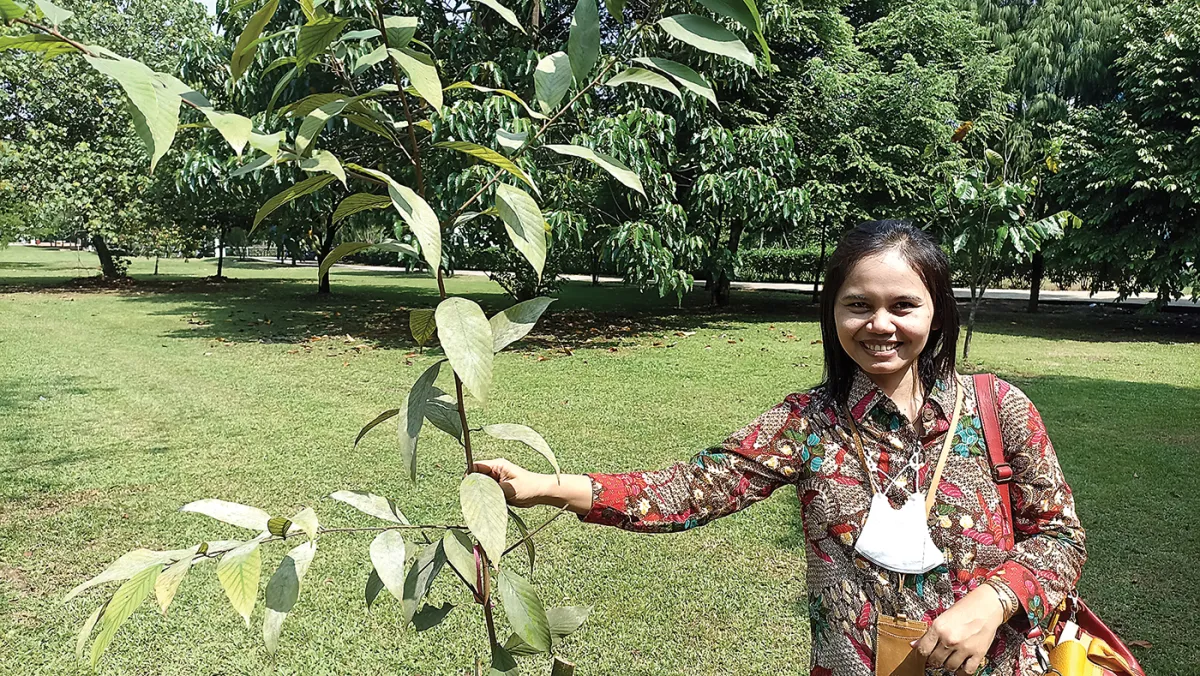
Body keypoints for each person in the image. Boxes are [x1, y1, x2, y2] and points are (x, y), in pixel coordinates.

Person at [475, 220, 1086, 676]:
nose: (880, 324)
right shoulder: (808, 422)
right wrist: (549, 486)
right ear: (833, 315)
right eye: (858, 306)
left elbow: (1060, 537)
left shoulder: (998, 409)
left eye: (903, 305)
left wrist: (995, 600)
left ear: (936, 312)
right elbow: (690, 489)